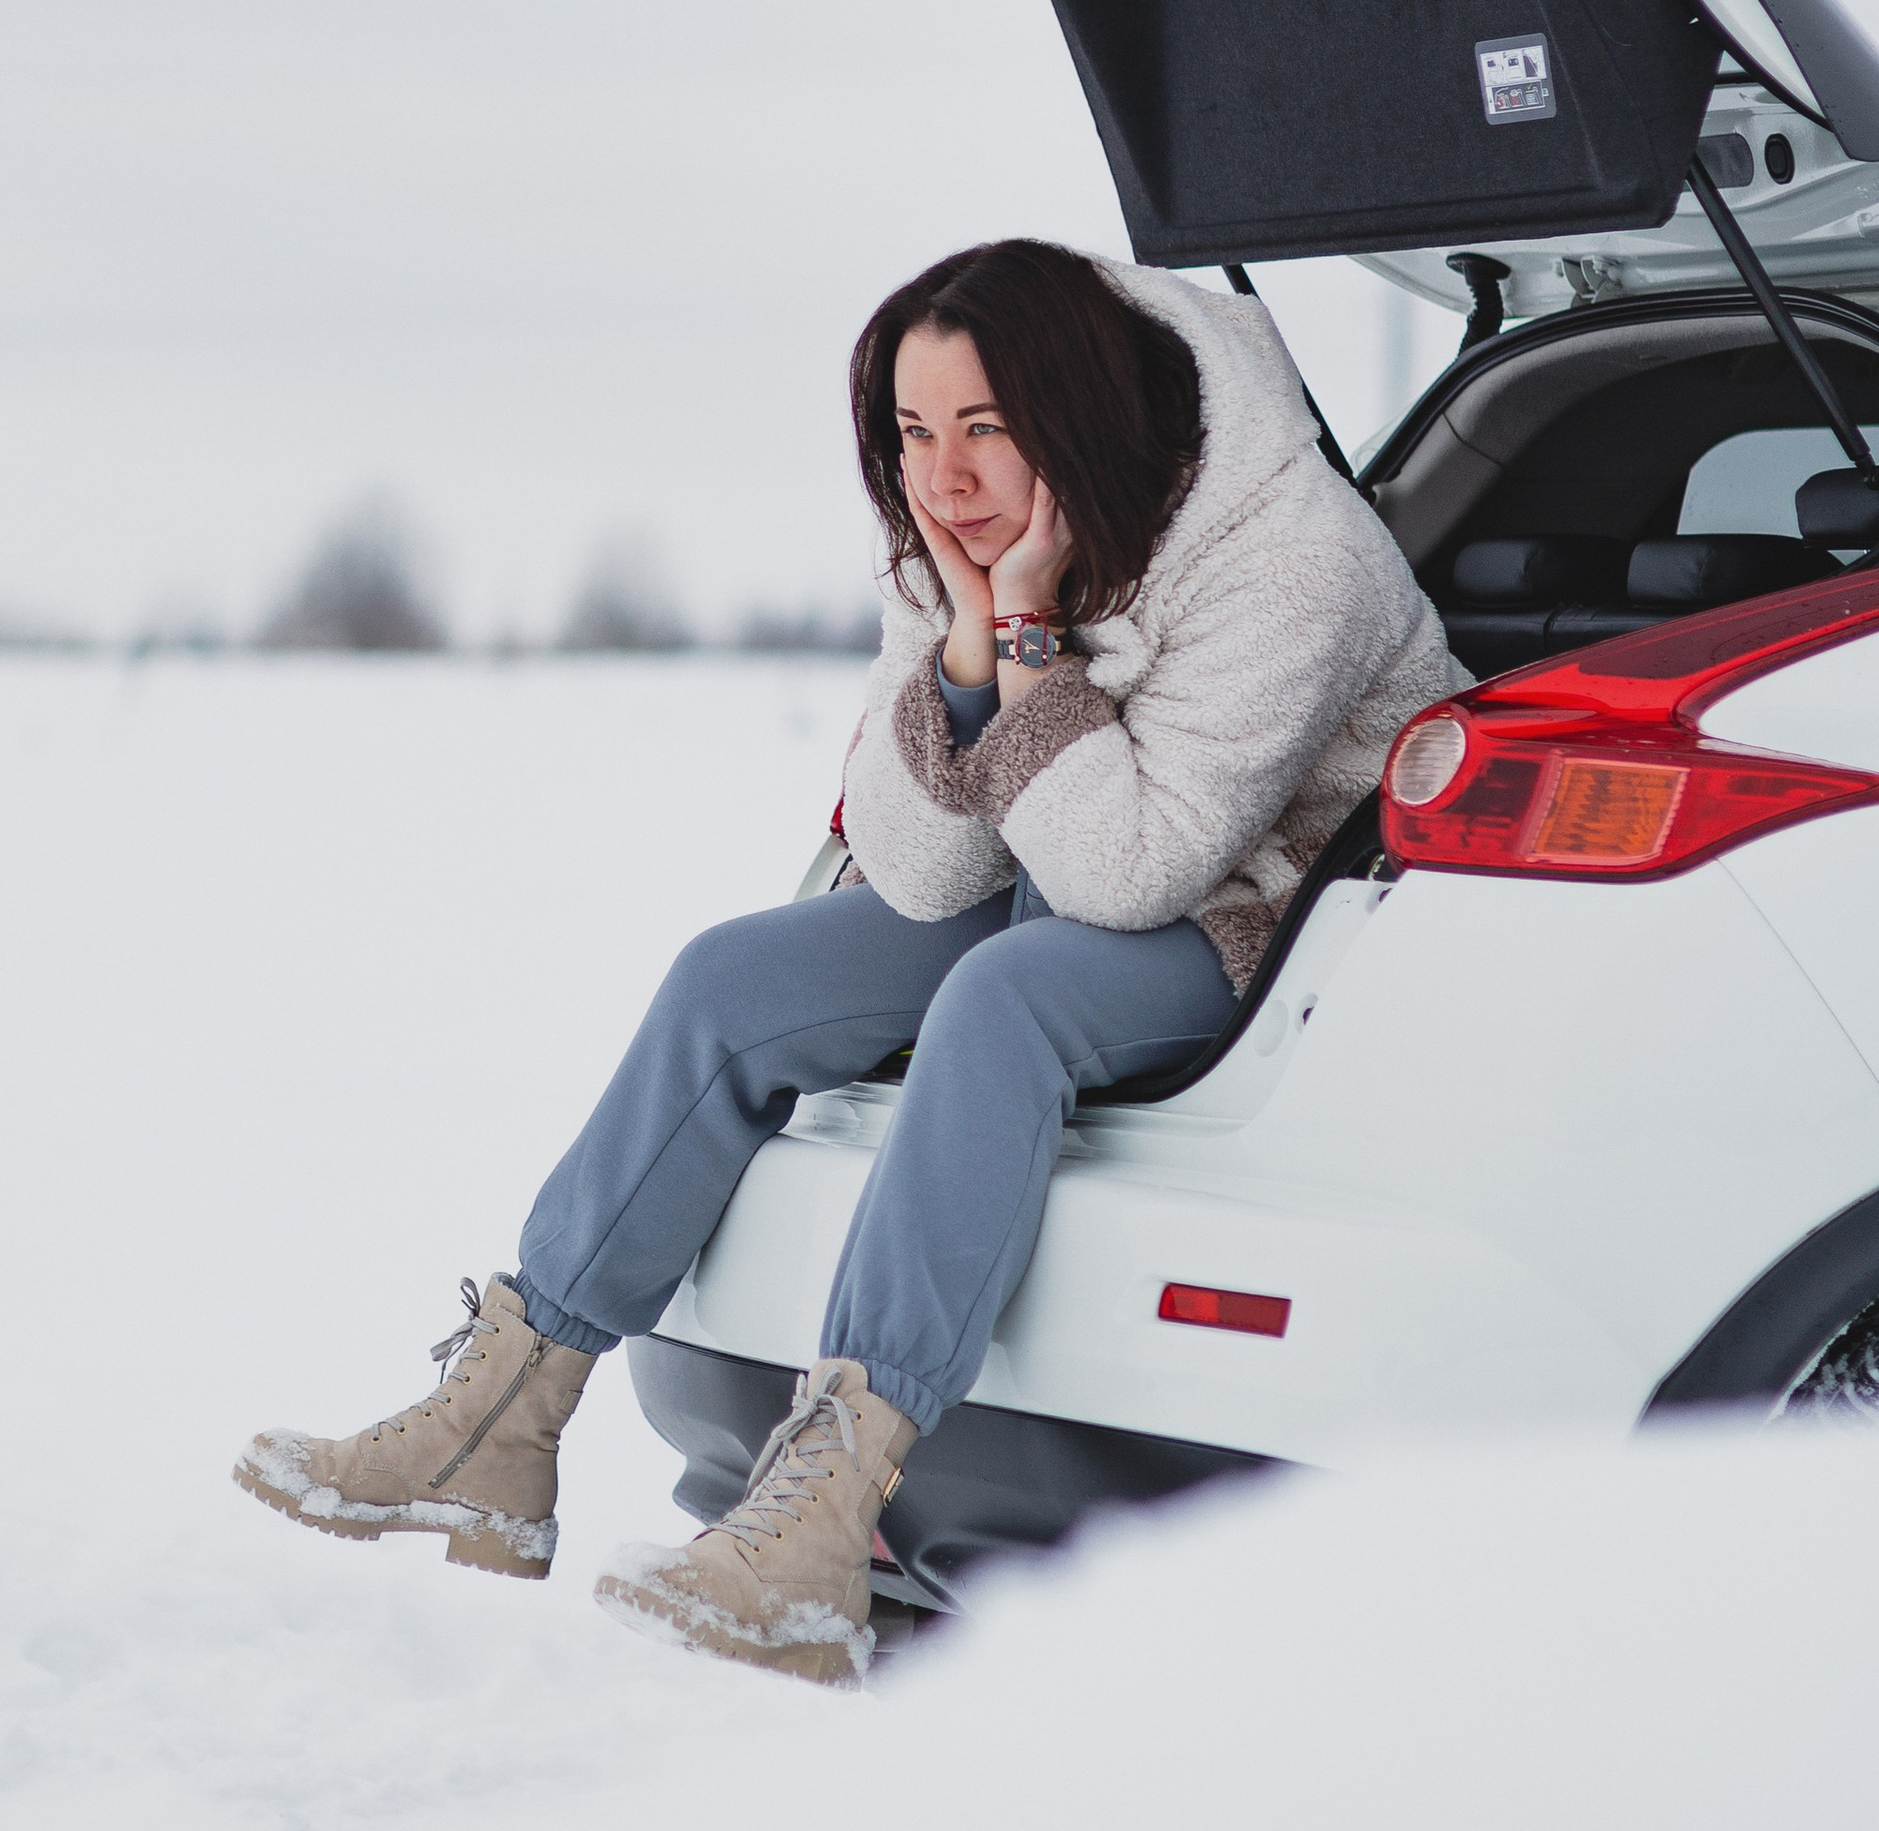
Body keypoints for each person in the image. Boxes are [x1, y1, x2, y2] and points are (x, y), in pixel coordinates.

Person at [235, 239, 1463, 1683]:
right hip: (1055, 876)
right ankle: (504, 1414)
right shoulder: (954, 535)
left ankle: (823, 1527)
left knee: (1009, 999)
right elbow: (929, 864)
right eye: (912, 431)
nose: (941, 477)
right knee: (733, 979)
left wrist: (1024, 635)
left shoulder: (1291, 558)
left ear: (1080, 410)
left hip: (1282, 925)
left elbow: (1131, 876)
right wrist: (959, 639)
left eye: (986, 429)